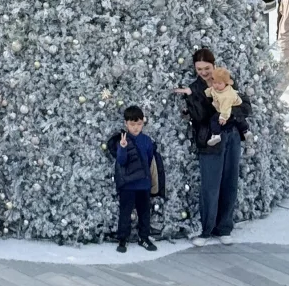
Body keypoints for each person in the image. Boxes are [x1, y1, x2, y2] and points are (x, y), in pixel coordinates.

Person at [176, 47, 250, 244]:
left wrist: (229, 113)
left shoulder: (224, 80)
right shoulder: (195, 88)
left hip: (232, 136)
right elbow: (200, 116)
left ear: (213, 65)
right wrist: (198, 99)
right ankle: (206, 231)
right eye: (199, 69)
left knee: (230, 182)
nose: (203, 72)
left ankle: (224, 228)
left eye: (206, 68)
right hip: (209, 140)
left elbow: (245, 106)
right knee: (210, 186)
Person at [105, 104, 163, 253]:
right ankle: (122, 239)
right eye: (132, 124)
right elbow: (121, 161)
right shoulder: (123, 139)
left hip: (143, 184)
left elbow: (149, 160)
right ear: (126, 123)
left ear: (143, 123)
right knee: (125, 212)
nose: (136, 127)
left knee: (144, 212)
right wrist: (123, 148)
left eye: (139, 124)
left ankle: (144, 237)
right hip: (128, 185)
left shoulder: (146, 140)